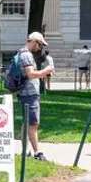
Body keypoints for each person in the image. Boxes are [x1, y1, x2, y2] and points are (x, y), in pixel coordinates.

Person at [16, 31, 54, 161]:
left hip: (25, 92)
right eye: (40, 45)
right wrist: (45, 71)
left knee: (26, 122)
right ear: (33, 42)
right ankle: (37, 152)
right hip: (29, 93)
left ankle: (25, 151)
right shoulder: (26, 55)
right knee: (33, 123)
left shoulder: (22, 53)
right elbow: (30, 74)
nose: (40, 48)